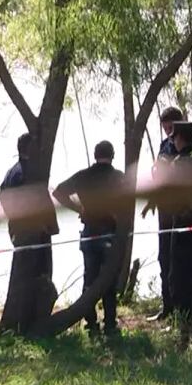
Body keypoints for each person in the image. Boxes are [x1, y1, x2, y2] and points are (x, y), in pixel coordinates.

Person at [53, 140, 126, 337]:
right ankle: (110, 323)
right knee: (108, 279)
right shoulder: (118, 177)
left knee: (89, 277)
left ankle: (90, 321)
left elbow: (58, 192)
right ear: (112, 155)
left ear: (95, 155)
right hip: (109, 232)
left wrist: (79, 208)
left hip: (89, 232)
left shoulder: (83, 176)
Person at [0, 132, 60, 334]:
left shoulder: (12, 172)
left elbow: (2, 196)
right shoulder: (26, 173)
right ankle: (25, 323)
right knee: (34, 275)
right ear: (28, 150)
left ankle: (21, 323)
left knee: (24, 275)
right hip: (33, 232)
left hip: (23, 231)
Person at [142, 107, 185, 321]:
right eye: (165, 127)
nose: (168, 131)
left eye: (171, 127)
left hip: (185, 211)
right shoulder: (164, 146)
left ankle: (183, 312)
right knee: (164, 258)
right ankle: (167, 306)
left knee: (182, 261)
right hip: (165, 210)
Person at [166, 121, 192, 331]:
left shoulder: (179, 162)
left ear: (181, 138)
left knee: (179, 275)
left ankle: (183, 322)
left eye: (174, 137)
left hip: (183, 223)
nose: (172, 141)